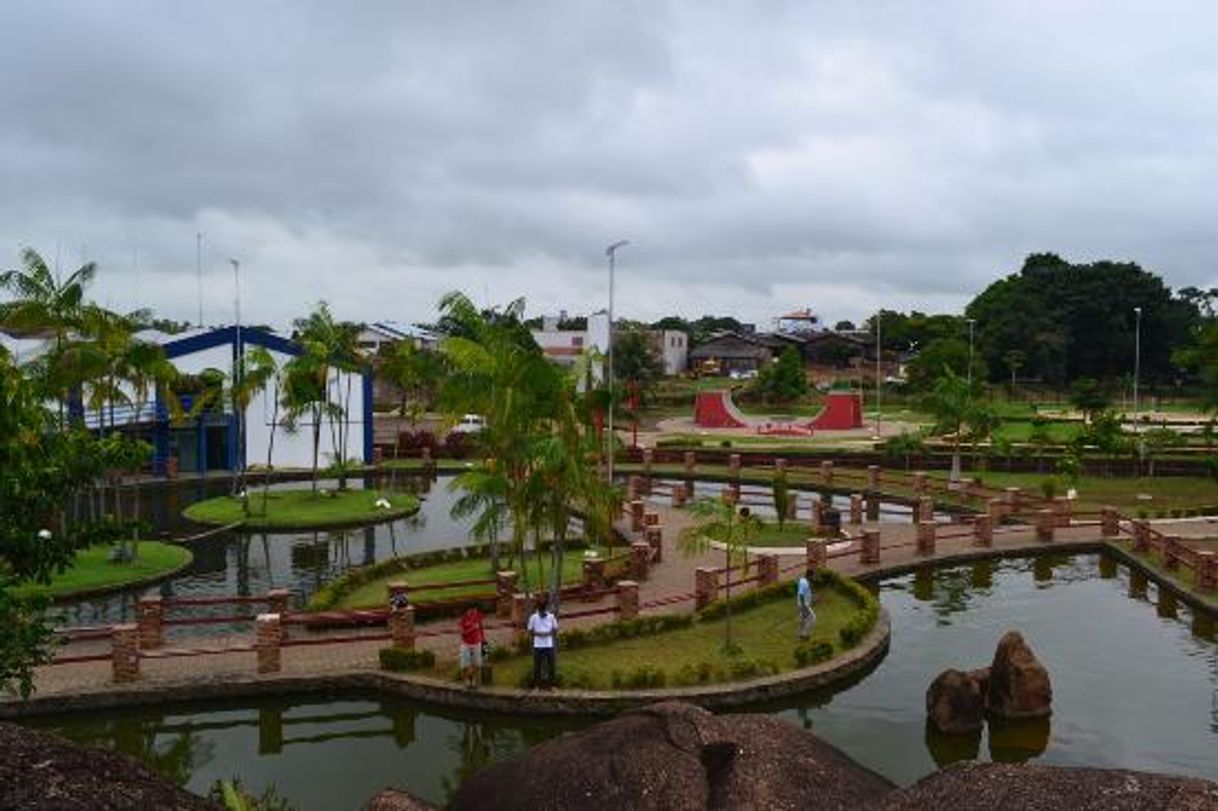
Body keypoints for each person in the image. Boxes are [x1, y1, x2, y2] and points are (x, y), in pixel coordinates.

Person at [527, 593, 558, 689]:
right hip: (538, 645)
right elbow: (530, 630)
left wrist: (549, 634)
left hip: (549, 645)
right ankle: (537, 685)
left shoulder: (551, 617)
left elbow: (555, 628)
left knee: (551, 666)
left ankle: (551, 685)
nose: (542, 613)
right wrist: (539, 634)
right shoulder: (533, 617)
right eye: (541, 611)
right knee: (537, 666)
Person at [459, 604, 485, 689]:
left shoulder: (478, 616)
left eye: (475, 610)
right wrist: (472, 628)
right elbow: (462, 633)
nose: (474, 612)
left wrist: (483, 638)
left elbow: (480, 627)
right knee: (465, 664)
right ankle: (466, 681)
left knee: (477, 663)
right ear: (468, 611)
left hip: (476, 642)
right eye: (472, 610)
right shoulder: (463, 619)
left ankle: (476, 681)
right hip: (466, 643)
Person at [797, 568, 815, 640]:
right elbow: (801, 594)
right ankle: (804, 635)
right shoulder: (805, 583)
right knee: (812, 618)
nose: (813, 578)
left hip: (802, 604)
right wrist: (804, 606)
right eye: (813, 576)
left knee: (803, 619)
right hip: (803, 605)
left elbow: (804, 593)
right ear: (810, 576)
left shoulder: (803, 580)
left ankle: (801, 634)